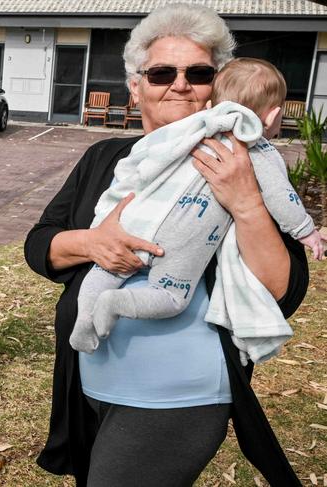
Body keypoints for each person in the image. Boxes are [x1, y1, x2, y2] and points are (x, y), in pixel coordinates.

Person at [24, 4, 308, 486]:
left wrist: (245, 203)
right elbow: (40, 246)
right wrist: (94, 243)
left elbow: (284, 291)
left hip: (178, 393)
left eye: (198, 73)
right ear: (136, 89)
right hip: (91, 380)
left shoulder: (248, 162)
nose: (180, 84)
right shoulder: (107, 157)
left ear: (216, 88)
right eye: (161, 73)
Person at [70, 57, 324, 355]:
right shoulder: (253, 145)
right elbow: (281, 196)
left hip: (141, 222)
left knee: (104, 272)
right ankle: (117, 303)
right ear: (273, 116)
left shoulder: (192, 129)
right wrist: (306, 231)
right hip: (182, 239)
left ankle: (85, 319)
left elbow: (148, 156)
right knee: (170, 296)